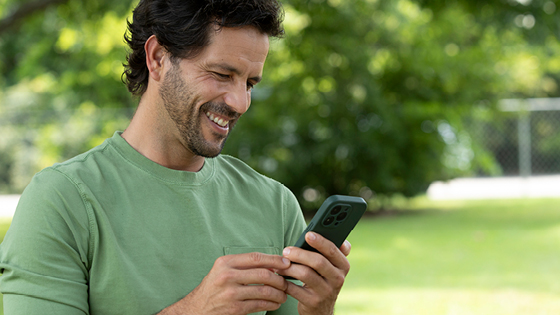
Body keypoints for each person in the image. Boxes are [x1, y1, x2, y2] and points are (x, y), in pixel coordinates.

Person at [0, 0, 352, 314]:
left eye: (249, 83)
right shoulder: (62, 201)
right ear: (157, 58)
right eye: (221, 74)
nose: (239, 102)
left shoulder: (274, 204)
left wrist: (318, 311)